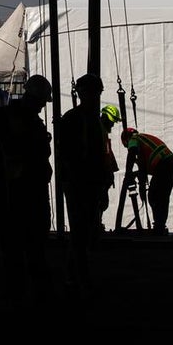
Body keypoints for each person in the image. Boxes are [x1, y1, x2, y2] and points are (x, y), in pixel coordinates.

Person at [0, 73, 56, 312]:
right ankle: (27, 299)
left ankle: (19, 297)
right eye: (41, 102)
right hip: (21, 194)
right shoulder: (20, 121)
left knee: (18, 251)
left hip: (19, 193)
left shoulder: (9, 118)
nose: (41, 107)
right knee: (26, 250)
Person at [58, 72, 113, 295]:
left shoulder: (83, 118)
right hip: (81, 182)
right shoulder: (81, 119)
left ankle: (76, 275)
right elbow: (74, 155)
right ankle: (79, 276)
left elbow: (98, 152)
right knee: (82, 231)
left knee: (83, 231)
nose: (96, 97)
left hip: (85, 181)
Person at [119, 126, 173, 235]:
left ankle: (159, 226)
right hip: (171, 165)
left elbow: (132, 153)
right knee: (162, 196)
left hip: (163, 165)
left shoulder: (134, 139)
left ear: (126, 140)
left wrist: (128, 173)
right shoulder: (145, 141)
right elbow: (144, 169)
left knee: (154, 196)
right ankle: (160, 225)